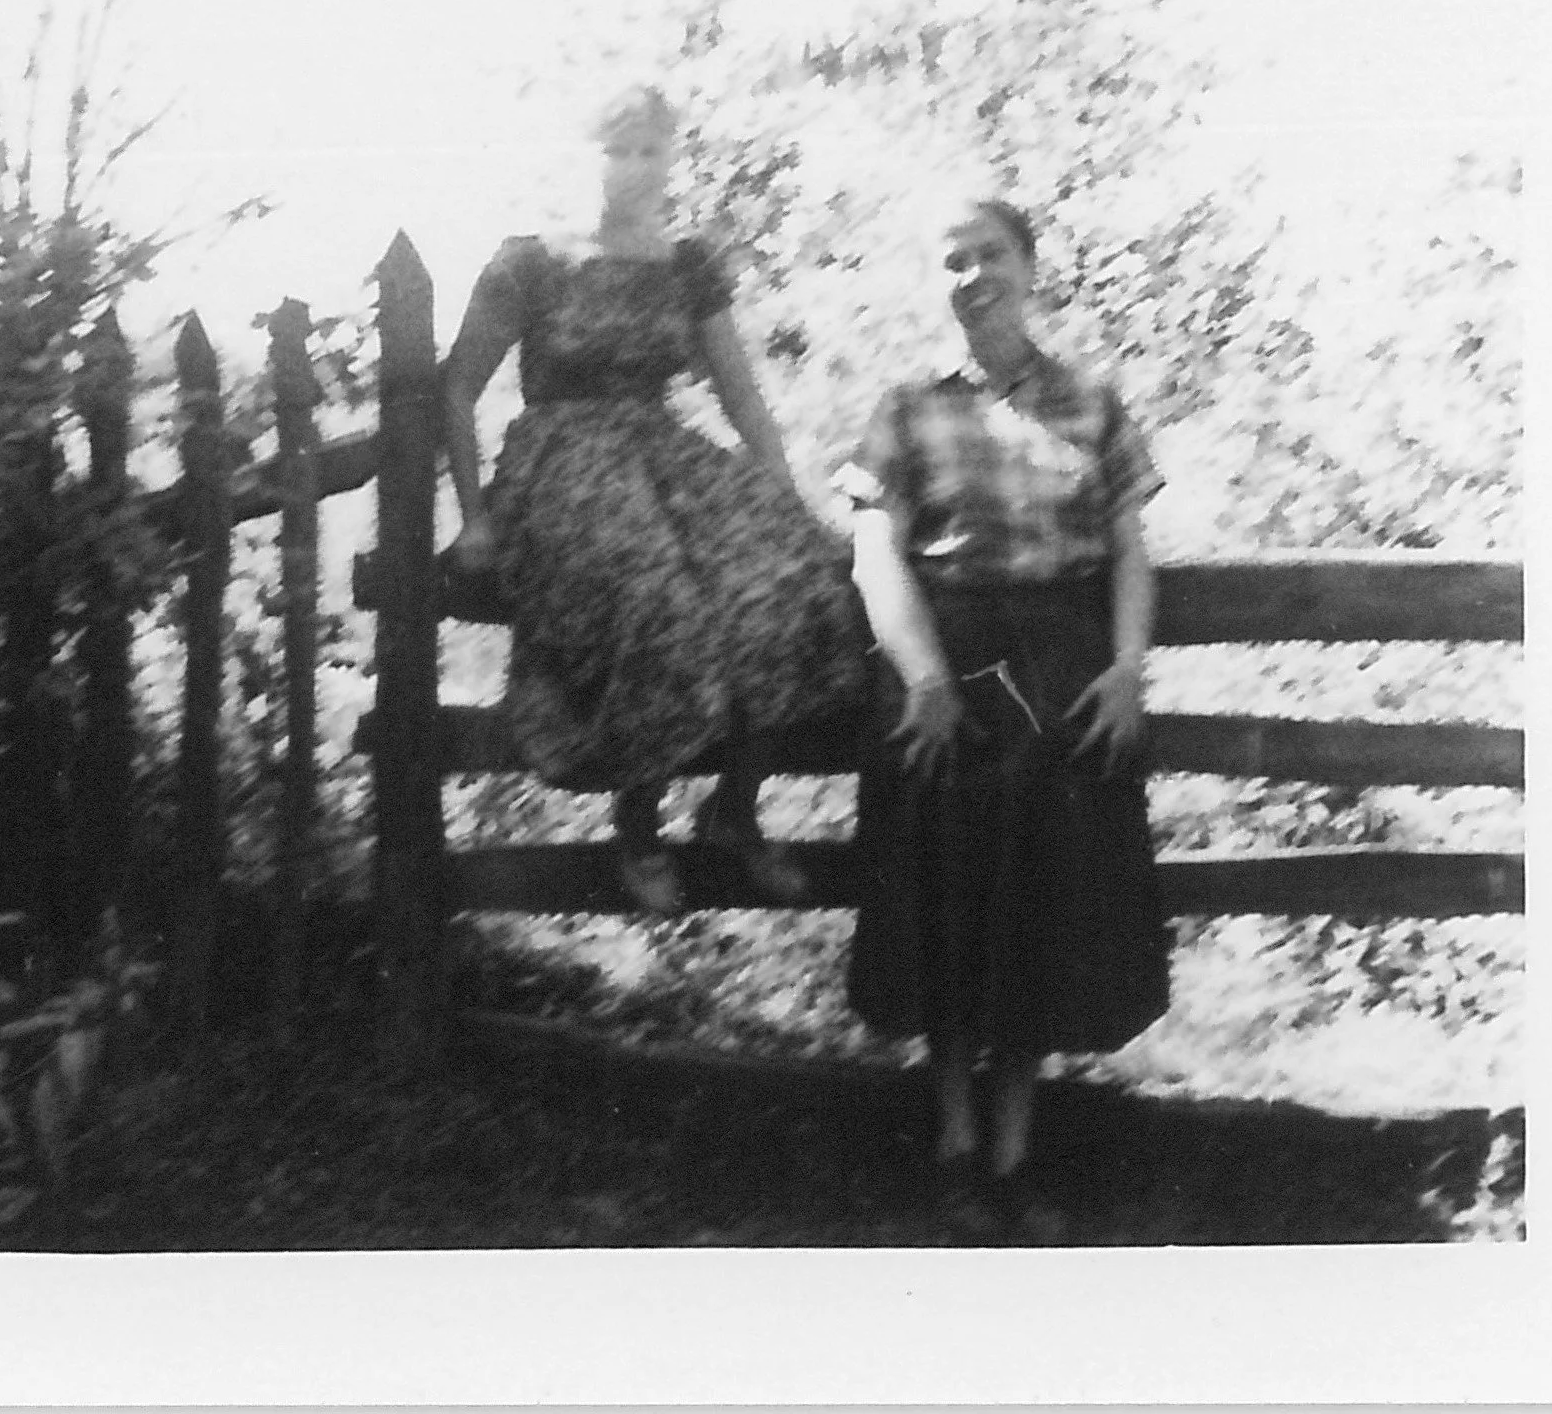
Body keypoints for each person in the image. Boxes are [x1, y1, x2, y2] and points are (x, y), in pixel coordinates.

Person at [838, 196, 1172, 1244]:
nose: (972, 274)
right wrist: (923, 677)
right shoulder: (902, 406)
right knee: (939, 890)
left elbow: (1125, 548)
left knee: (1038, 900)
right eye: (952, 259)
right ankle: (948, 1144)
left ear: (1029, 269)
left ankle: (1014, 1151)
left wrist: (1124, 668)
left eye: (990, 255)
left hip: (1061, 668)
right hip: (940, 664)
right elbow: (872, 552)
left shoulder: (1092, 399)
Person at [442, 85, 863, 914]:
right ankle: (637, 825)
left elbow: (740, 395)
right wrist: (474, 517)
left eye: (649, 150)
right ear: (585, 154)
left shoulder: (687, 265)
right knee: (657, 600)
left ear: (671, 156)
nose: (633, 168)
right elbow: (456, 391)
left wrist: (782, 493)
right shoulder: (530, 259)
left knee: (796, 585)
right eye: (617, 148)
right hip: (560, 459)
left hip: (664, 454)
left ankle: (733, 811)